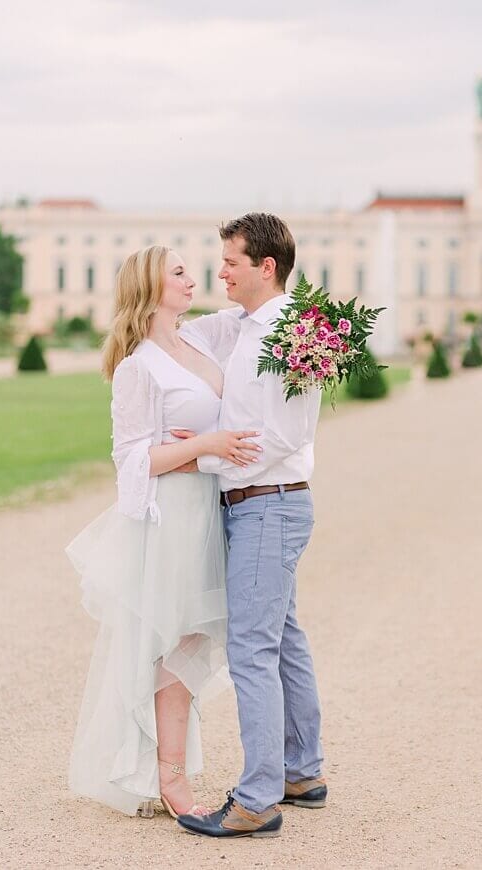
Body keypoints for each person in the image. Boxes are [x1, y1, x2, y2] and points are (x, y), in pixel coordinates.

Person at [66, 244, 261, 820]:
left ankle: (169, 765)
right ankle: (169, 774)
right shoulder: (138, 366)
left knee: (194, 640)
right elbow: (128, 459)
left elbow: (257, 316)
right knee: (173, 640)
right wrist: (203, 445)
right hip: (172, 513)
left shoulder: (198, 340)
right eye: (178, 271)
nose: (192, 277)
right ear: (151, 286)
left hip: (207, 503)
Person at [175, 213, 326, 839]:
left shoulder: (295, 332)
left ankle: (258, 797)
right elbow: (167, 331)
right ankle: (300, 770)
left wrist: (202, 454)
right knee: (282, 637)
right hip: (258, 503)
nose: (220, 272)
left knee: (252, 649)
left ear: (266, 267)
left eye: (231, 261)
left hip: (269, 501)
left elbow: (286, 434)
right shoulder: (238, 326)